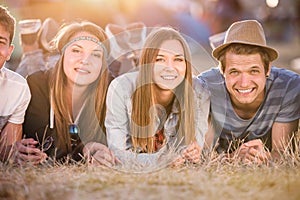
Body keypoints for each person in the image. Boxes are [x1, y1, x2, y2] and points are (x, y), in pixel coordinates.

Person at [105, 27, 210, 168]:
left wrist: (193, 152)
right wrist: (159, 161)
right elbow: (117, 154)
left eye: (178, 59)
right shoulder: (120, 88)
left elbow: (196, 145)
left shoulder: (199, 91)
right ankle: (127, 48)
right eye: (160, 59)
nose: (170, 67)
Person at [15, 21, 117, 166]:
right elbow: (43, 146)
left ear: (102, 64)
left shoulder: (111, 90)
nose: (85, 60)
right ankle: (32, 48)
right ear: (62, 55)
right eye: (76, 50)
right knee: (27, 68)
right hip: (42, 73)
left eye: (95, 54)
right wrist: (85, 149)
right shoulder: (36, 84)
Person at [198, 20, 300, 164]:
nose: (244, 83)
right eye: (234, 72)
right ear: (222, 71)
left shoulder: (288, 86)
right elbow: (203, 155)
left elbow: (282, 153)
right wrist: (233, 158)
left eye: (253, 71)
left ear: (268, 69)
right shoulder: (206, 86)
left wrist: (262, 157)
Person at [0, 6, 31, 162]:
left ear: (9, 51)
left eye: (0, 42)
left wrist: (18, 155)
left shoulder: (17, 88)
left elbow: (6, 152)